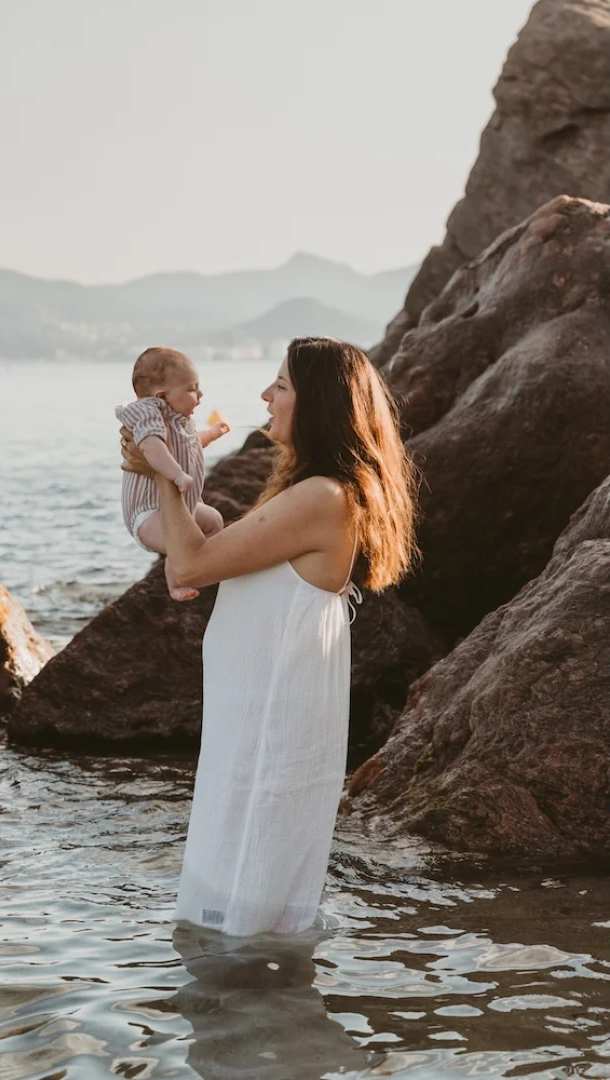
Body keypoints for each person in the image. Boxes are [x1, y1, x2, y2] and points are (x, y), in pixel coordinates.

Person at [120, 337, 419, 936]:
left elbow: (189, 566)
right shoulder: (315, 492)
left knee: (246, 924)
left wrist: (161, 479)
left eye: (280, 386)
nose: (265, 396)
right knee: (242, 916)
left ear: (319, 407)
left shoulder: (322, 497)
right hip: (257, 724)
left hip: (268, 731)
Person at [115, 346, 230, 601]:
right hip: (148, 512)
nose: (200, 395)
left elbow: (190, 443)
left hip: (180, 508)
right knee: (180, 543)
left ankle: (202, 569)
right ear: (162, 396)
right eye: (192, 389)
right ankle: (174, 582)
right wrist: (176, 475)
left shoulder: (180, 419)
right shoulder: (149, 413)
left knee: (213, 520)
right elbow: (150, 447)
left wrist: (212, 434)